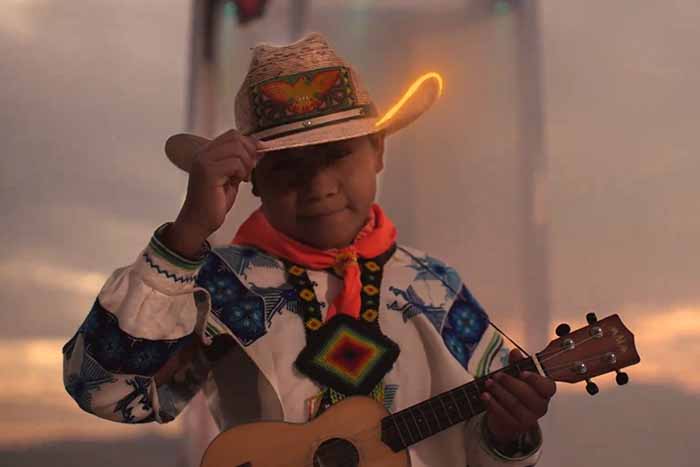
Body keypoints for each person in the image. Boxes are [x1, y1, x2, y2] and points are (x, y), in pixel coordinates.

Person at [62, 32, 556, 467]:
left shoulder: (433, 288)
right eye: (285, 167)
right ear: (252, 181)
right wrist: (187, 231)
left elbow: (482, 449)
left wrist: (507, 434)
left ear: (378, 151)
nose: (319, 186)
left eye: (337, 155)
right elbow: (106, 392)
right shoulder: (218, 287)